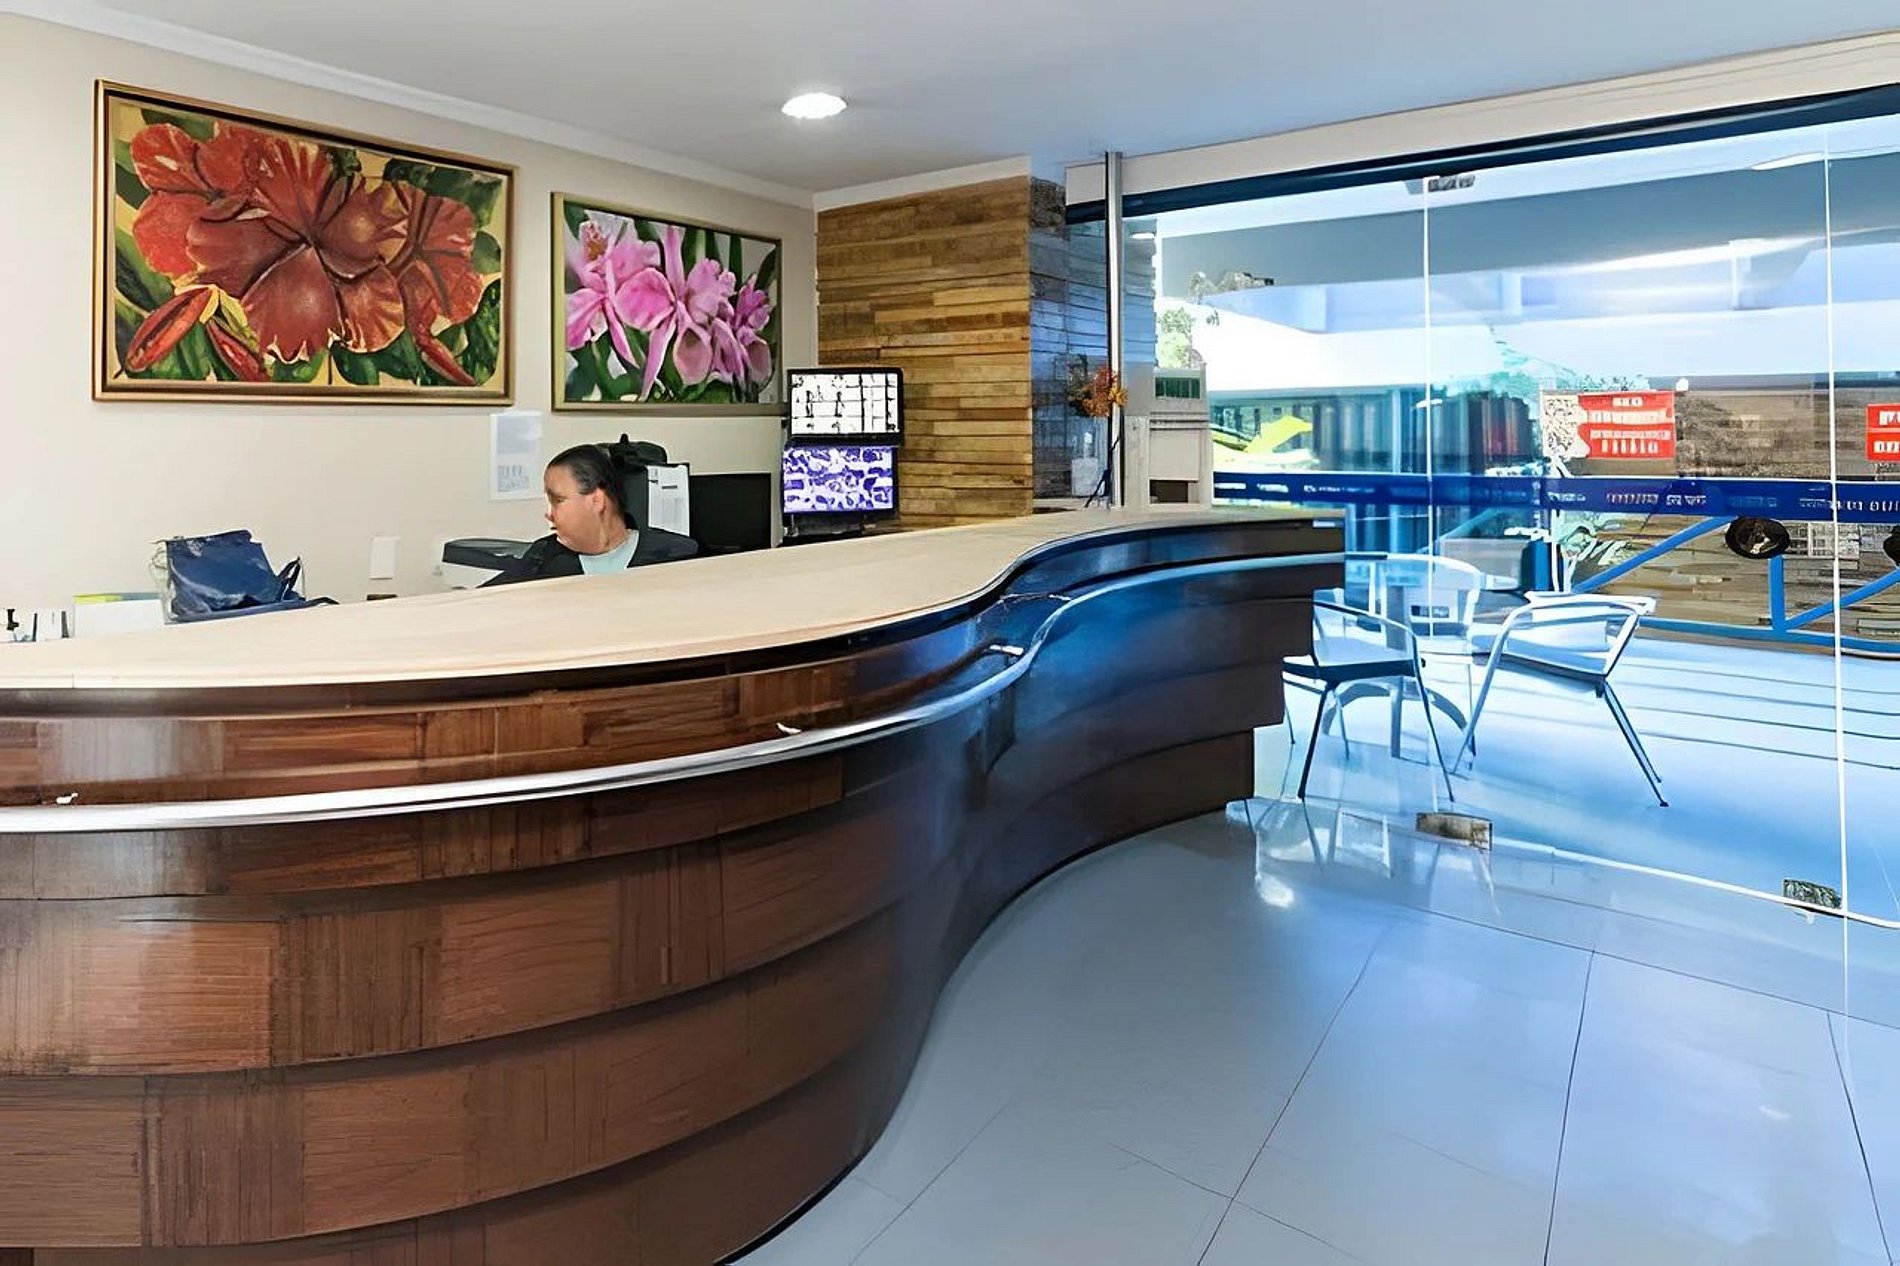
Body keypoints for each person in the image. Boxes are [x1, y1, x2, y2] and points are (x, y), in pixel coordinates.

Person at [483, 444, 698, 585]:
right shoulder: (542, 560)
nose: (549, 514)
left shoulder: (676, 556)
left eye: (558, 500)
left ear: (597, 500)